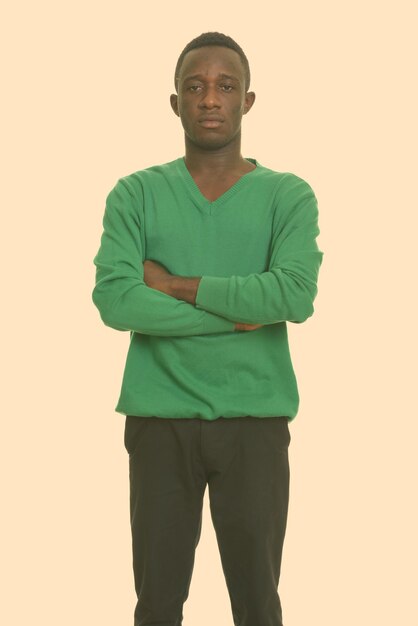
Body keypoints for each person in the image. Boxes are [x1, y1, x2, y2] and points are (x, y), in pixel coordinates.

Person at [92, 31, 323, 626]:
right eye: (195, 87)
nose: (210, 99)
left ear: (248, 101)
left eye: (226, 86)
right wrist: (241, 313)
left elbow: (293, 295)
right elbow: (116, 301)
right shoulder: (136, 194)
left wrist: (172, 285)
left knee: (257, 605)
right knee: (158, 605)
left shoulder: (287, 196)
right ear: (175, 103)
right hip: (159, 422)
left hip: (255, 422)